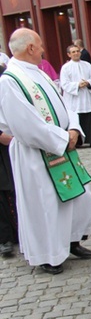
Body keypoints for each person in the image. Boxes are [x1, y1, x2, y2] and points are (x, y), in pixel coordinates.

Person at [0, 28, 91, 275]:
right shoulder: (11, 80)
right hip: (37, 154)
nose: (43, 49)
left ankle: (71, 240)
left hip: (63, 146)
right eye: (40, 45)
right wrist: (63, 139)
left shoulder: (38, 73)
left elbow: (64, 103)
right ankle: (48, 255)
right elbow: (25, 124)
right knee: (47, 204)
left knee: (80, 197)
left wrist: (73, 128)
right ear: (30, 48)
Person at [59, 44, 91, 149]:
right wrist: (77, 85)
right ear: (69, 54)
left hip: (87, 97)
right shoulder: (65, 67)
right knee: (76, 119)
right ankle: (78, 142)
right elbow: (64, 84)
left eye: (77, 51)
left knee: (90, 118)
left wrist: (88, 83)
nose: (76, 53)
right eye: (73, 52)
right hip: (75, 99)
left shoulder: (87, 65)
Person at [0, 63, 17, 258]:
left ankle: (19, 231)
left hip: (10, 141)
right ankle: (4, 237)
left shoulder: (5, 73)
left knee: (13, 186)